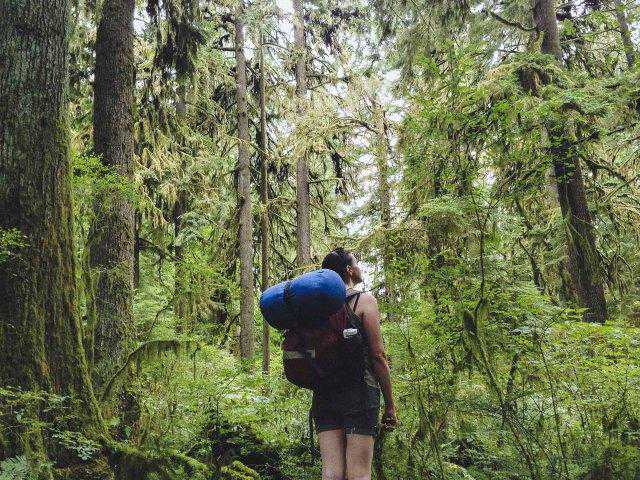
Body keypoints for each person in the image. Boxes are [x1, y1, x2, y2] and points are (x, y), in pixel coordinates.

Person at [314, 247, 398, 480]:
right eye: (356, 263)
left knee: (331, 474)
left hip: (324, 394)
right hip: (360, 394)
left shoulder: (317, 308)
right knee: (359, 474)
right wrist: (390, 404)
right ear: (349, 270)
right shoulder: (364, 301)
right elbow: (378, 356)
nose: (359, 268)